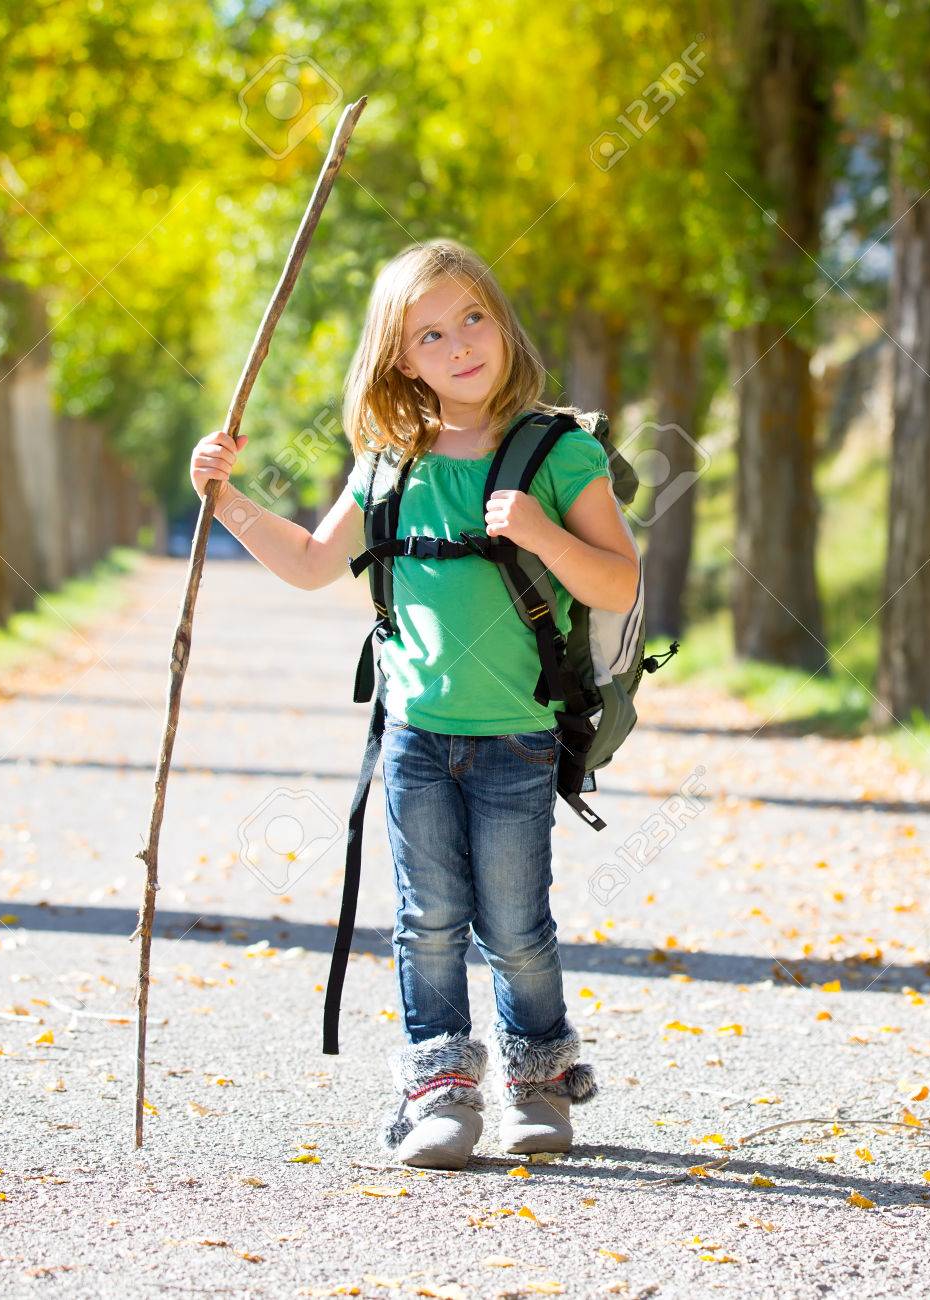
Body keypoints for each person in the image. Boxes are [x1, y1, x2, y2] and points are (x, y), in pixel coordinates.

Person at [190, 238, 639, 1170]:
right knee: (427, 921)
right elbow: (315, 564)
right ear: (400, 357)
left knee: (516, 925)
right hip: (413, 738)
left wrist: (543, 532)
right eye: (431, 333)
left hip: (516, 736)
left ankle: (541, 1079)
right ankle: (439, 1088)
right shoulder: (389, 459)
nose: (461, 343)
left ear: (502, 323)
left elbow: (618, 584)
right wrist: (224, 499)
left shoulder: (558, 451)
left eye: (473, 317)